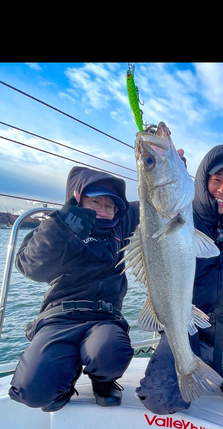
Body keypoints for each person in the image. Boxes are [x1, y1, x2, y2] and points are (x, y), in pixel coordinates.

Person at [136, 144, 223, 414]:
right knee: (159, 400)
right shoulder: (182, 220)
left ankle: (220, 373)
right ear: (201, 182)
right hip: (185, 328)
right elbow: (153, 207)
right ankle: (193, 365)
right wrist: (171, 170)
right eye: (216, 181)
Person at [9, 166, 139, 412]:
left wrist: (170, 165)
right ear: (77, 199)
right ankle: (64, 381)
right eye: (95, 202)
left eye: (109, 205)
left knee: (111, 352)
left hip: (104, 318)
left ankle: (103, 381)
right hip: (59, 319)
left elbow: (157, 199)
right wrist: (60, 224)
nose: (103, 211)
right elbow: (31, 267)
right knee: (32, 391)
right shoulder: (56, 227)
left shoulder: (120, 227)